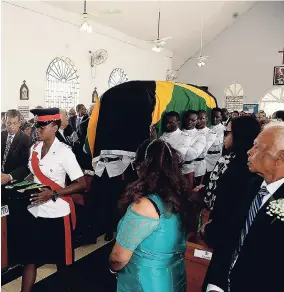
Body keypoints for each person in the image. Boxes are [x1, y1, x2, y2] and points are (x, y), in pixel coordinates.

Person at [10, 108, 86, 292]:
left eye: (42, 125)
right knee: (30, 259)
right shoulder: (34, 148)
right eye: (36, 125)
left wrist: (53, 194)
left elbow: (81, 183)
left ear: (54, 126)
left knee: (63, 263)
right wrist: (16, 183)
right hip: (35, 211)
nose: (38, 129)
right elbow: (33, 175)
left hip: (57, 214)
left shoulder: (64, 152)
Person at [204, 121, 284, 292]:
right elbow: (228, 236)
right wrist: (216, 284)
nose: (249, 151)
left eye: (257, 147)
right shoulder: (247, 185)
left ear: (280, 158)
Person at [110, 139, 191, 292]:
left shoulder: (145, 205)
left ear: (143, 166)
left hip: (145, 281)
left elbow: (118, 257)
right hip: (175, 276)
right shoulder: (181, 197)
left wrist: (113, 269)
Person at [1, 110, 31, 185]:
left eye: (14, 123)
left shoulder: (26, 140)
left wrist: (10, 176)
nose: (11, 127)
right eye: (9, 123)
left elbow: (26, 166)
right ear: (5, 122)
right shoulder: (1, 135)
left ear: (19, 123)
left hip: (14, 180)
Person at [179, 110, 206, 188]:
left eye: (193, 120)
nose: (189, 122)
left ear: (197, 121)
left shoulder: (200, 136)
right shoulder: (178, 132)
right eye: (188, 119)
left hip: (188, 169)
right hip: (175, 169)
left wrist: (182, 144)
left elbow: (193, 154)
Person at [204, 108, 225, 186]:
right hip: (204, 157)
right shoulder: (207, 127)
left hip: (215, 158)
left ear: (221, 117)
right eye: (213, 116)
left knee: (210, 181)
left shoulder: (223, 129)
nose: (214, 119)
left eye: (217, 117)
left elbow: (215, 142)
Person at [195, 110, 216, 186]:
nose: (199, 121)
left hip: (199, 165)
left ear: (206, 119)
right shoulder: (191, 131)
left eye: (201, 119)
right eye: (197, 119)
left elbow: (203, 149)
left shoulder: (210, 133)